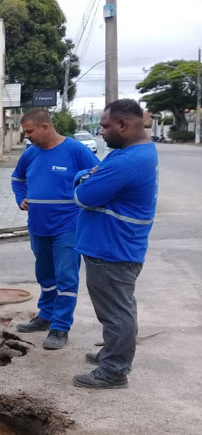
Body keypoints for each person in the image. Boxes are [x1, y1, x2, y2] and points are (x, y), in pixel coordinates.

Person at [72, 99, 158, 389]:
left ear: (123, 124)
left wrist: (81, 179)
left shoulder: (127, 161)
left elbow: (83, 196)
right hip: (115, 246)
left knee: (116, 312)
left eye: (106, 126)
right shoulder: (133, 152)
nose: (102, 131)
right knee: (117, 308)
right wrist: (89, 177)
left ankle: (114, 370)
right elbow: (94, 179)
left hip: (113, 249)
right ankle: (112, 354)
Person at [11, 109, 100, 349]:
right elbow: (17, 179)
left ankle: (60, 328)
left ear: (45, 127)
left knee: (66, 277)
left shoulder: (75, 150)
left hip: (67, 227)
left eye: (29, 131)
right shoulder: (30, 155)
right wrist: (21, 199)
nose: (26, 136)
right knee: (45, 276)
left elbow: (97, 176)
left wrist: (84, 202)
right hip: (38, 227)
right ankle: (45, 315)